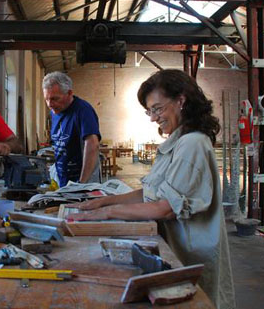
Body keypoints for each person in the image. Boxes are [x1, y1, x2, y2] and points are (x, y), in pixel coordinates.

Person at [67, 69, 235, 309]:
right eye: (150, 111)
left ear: (181, 100)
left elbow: (165, 208)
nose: (153, 118)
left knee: (195, 301)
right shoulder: (177, 142)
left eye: (157, 109)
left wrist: (107, 213)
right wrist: (103, 202)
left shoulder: (193, 144)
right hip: (178, 247)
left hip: (192, 252)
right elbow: (151, 193)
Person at [42, 71, 101, 186]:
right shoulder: (54, 112)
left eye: (54, 99)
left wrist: (81, 184)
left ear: (69, 93)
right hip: (63, 180)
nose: (50, 104)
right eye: (47, 99)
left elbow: (92, 145)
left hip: (83, 182)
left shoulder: (83, 110)